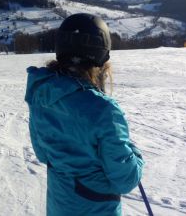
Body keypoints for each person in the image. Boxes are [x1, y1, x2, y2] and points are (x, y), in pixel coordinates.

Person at [25, 13, 144, 216]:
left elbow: (43, 154)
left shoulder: (41, 95)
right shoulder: (104, 110)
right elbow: (125, 179)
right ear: (101, 57)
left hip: (59, 207)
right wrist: (134, 152)